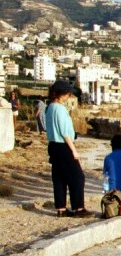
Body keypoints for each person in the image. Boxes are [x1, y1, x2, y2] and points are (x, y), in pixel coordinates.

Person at [44, 80, 87, 217]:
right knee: (77, 177)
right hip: (63, 145)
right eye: (68, 94)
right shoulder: (60, 109)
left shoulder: (49, 107)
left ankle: (61, 208)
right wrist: (73, 150)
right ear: (62, 94)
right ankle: (79, 208)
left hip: (53, 145)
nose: (69, 96)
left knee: (59, 178)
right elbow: (64, 132)